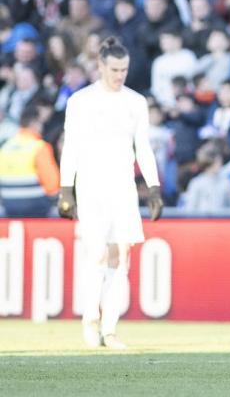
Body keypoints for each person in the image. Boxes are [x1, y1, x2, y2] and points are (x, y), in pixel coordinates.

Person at [58, 37, 163, 349]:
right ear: (100, 66)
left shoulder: (135, 102)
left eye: (125, 69)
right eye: (115, 69)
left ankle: (110, 328)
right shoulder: (80, 101)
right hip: (91, 186)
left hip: (123, 187)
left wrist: (153, 186)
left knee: (122, 255)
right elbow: (71, 147)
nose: (120, 75)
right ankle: (90, 320)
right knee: (97, 255)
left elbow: (142, 146)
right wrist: (66, 188)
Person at [0, 105, 59, 217]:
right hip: (37, 206)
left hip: (9, 206)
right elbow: (52, 185)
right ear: (34, 124)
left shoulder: (5, 147)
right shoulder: (39, 147)